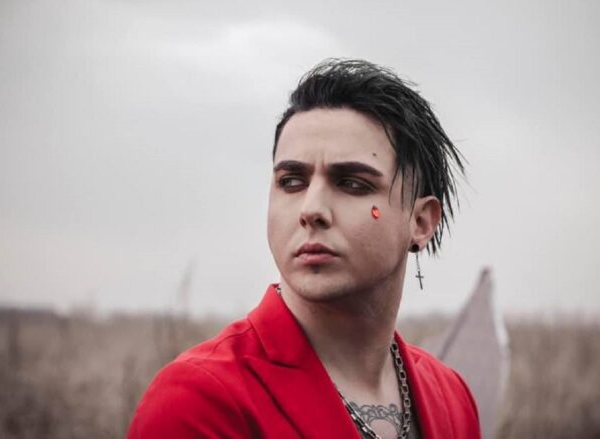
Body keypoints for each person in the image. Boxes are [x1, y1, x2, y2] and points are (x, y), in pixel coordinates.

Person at [127, 59, 481, 439]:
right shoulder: (199, 401)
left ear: (421, 221)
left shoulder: (451, 398)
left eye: (352, 184)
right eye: (292, 181)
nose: (311, 209)